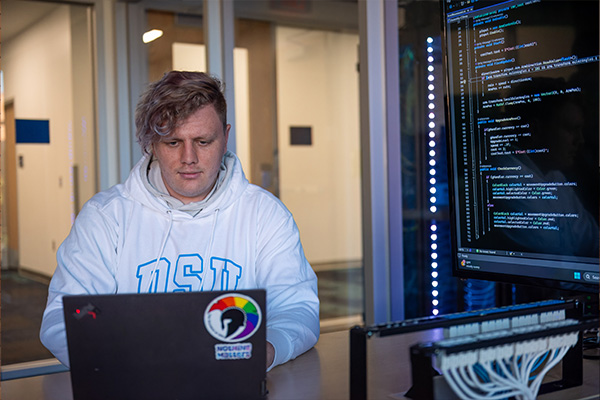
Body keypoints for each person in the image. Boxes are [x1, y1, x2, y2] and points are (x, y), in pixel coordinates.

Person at [40, 70, 320, 371]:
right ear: (152, 145)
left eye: (203, 141)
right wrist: (123, 369)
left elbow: (296, 308)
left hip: (234, 382)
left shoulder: (265, 215)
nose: (189, 157)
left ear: (225, 138)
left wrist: (261, 355)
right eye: (173, 142)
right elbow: (63, 317)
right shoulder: (106, 218)